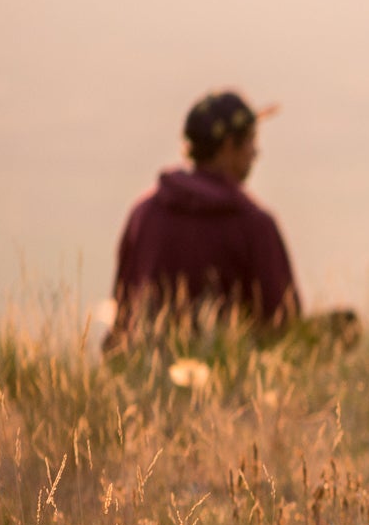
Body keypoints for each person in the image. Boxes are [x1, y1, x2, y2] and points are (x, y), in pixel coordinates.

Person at [107, 90, 301, 349]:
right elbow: (282, 323)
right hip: (231, 380)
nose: (256, 153)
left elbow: (123, 306)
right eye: (251, 141)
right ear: (229, 146)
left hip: (144, 371)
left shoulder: (144, 213)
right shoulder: (254, 224)